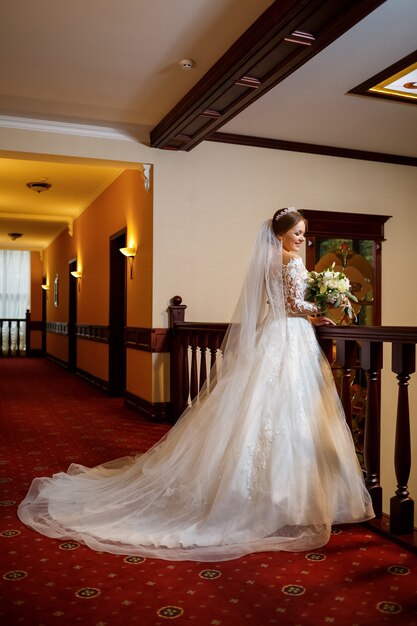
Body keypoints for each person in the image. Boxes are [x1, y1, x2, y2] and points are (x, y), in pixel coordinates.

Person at [18, 208, 374, 562]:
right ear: (281, 233)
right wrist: (322, 305)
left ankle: (273, 496)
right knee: (291, 412)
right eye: (297, 232)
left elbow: (275, 301)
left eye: (304, 233)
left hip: (273, 335)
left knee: (263, 410)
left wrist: (313, 304)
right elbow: (295, 304)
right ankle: (291, 501)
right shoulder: (292, 261)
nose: (301, 239)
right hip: (291, 337)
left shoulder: (267, 260)